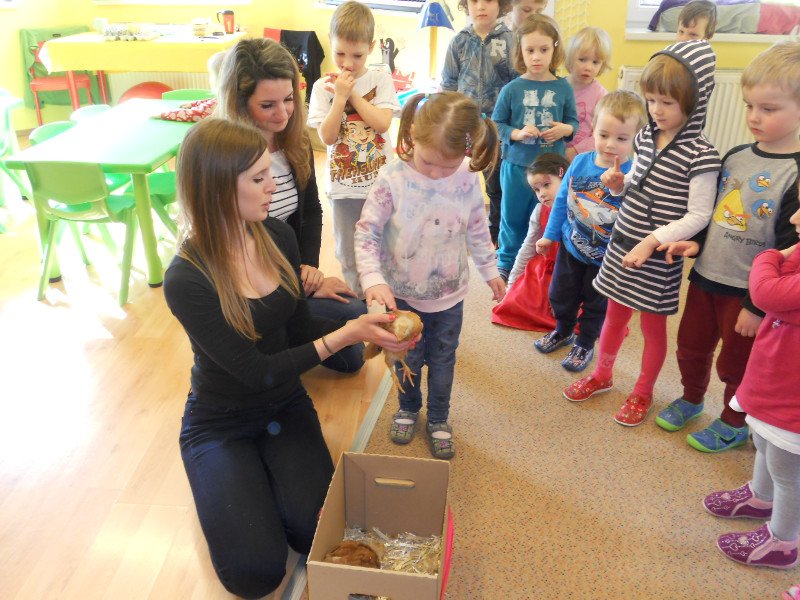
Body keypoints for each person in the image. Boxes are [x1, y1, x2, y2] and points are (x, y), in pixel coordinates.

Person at [163, 118, 415, 599]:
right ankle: (229, 476)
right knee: (255, 575)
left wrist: (371, 330)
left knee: (313, 534)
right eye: (258, 178)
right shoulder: (186, 278)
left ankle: (253, 480)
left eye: (270, 172)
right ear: (218, 189)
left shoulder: (276, 235)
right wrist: (345, 335)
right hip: (220, 421)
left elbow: (297, 329)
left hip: (284, 405)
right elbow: (255, 371)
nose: (273, 186)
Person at [563, 40, 720, 427]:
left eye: (667, 102)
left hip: (657, 256)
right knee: (614, 317)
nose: (656, 110)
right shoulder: (647, 136)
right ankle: (602, 374)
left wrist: (652, 241)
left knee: (652, 327)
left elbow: (700, 214)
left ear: (695, 101)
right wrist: (619, 184)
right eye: (651, 100)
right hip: (623, 245)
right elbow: (637, 182)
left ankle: (643, 391)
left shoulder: (702, 155)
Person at [655, 41, 800, 451]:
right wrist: (694, 243)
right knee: (691, 347)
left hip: (748, 291)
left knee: (738, 362)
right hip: (706, 277)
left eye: (768, 109)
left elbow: (790, 250)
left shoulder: (795, 172)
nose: (754, 116)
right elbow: (715, 212)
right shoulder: (735, 155)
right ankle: (691, 398)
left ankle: (735, 420)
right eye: (749, 105)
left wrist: (757, 306)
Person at [355, 91, 506, 460]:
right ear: (412, 136)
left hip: (449, 298)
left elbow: (477, 227)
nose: (437, 174)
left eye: (447, 165)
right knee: (406, 359)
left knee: (442, 361)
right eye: (428, 162)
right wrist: (373, 279)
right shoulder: (392, 178)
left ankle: (438, 417)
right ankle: (408, 408)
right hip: (400, 297)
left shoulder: (468, 177)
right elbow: (367, 232)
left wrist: (490, 269)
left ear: (466, 151)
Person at [216, 37, 368, 373]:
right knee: (343, 340)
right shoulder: (226, 159)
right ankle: (273, 344)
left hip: (291, 279)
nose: (283, 113)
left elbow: (311, 211)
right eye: (267, 105)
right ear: (239, 104)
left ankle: (283, 339)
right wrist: (299, 286)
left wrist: (309, 270)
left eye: (288, 100)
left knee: (355, 319)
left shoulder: (294, 141)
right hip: (253, 291)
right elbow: (239, 260)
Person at [702, 202, 800, 570]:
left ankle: (783, 541)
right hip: (775, 375)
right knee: (763, 441)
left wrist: (770, 256)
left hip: (793, 394)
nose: (794, 218)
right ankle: (761, 497)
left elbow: (766, 293)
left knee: (787, 470)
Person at [534, 91, 646, 372]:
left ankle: (585, 342)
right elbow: (562, 200)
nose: (610, 144)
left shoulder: (634, 174)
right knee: (561, 293)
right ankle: (563, 330)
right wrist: (549, 235)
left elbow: (638, 218)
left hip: (606, 258)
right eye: (604, 134)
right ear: (593, 129)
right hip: (571, 247)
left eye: (621, 138)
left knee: (597, 304)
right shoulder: (580, 162)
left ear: (637, 139)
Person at [307, 0, 400, 296]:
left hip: (381, 186)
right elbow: (328, 137)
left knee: (386, 247)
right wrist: (338, 98)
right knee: (348, 253)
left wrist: (353, 95)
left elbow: (382, 123)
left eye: (357, 55)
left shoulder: (380, 79)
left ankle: (389, 298)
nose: (347, 63)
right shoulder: (322, 87)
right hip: (344, 190)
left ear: (370, 48)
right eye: (340, 53)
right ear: (331, 43)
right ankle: (362, 304)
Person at [492, 13, 578, 280]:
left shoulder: (564, 87)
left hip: (552, 170)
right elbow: (497, 124)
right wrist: (517, 133)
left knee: (548, 218)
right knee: (513, 219)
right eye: (530, 50)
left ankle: (540, 267)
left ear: (554, 49)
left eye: (543, 49)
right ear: (520, 51)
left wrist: (565, 130)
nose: (537, 57)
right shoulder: (511, 89)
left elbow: (573, 122)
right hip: (516, 166)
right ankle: (506, 264)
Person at [441, 0, 515, 247]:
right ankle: (455, 230)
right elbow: (449, 84)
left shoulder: (510, 40)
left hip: (497, 128)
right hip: (465, 127)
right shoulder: (459, 42)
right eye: (474, 1)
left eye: (488, 0)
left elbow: (516, 82)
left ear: (501, 4)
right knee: (459, 182)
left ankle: (495, 234)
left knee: (496, 187)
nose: (481, 6)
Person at [490, 153, 568, 331]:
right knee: (516, 303)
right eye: (536, 190)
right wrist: (512, 284)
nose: (542, 194)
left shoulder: (579, 208)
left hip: (573, 272)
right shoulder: (540, 210)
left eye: (546, 185)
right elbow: (527, 247)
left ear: (563, 175)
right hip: (547, 269)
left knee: (581, 313)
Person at [564, 27, 611, 162]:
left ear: (602, 65)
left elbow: (604, 133)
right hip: (553, 153)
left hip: (583, 158)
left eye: (595, 62)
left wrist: (575, 151)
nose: (588, 67)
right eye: (582, 59)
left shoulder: (601, 96)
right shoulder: (557, 87)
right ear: (570, 58)